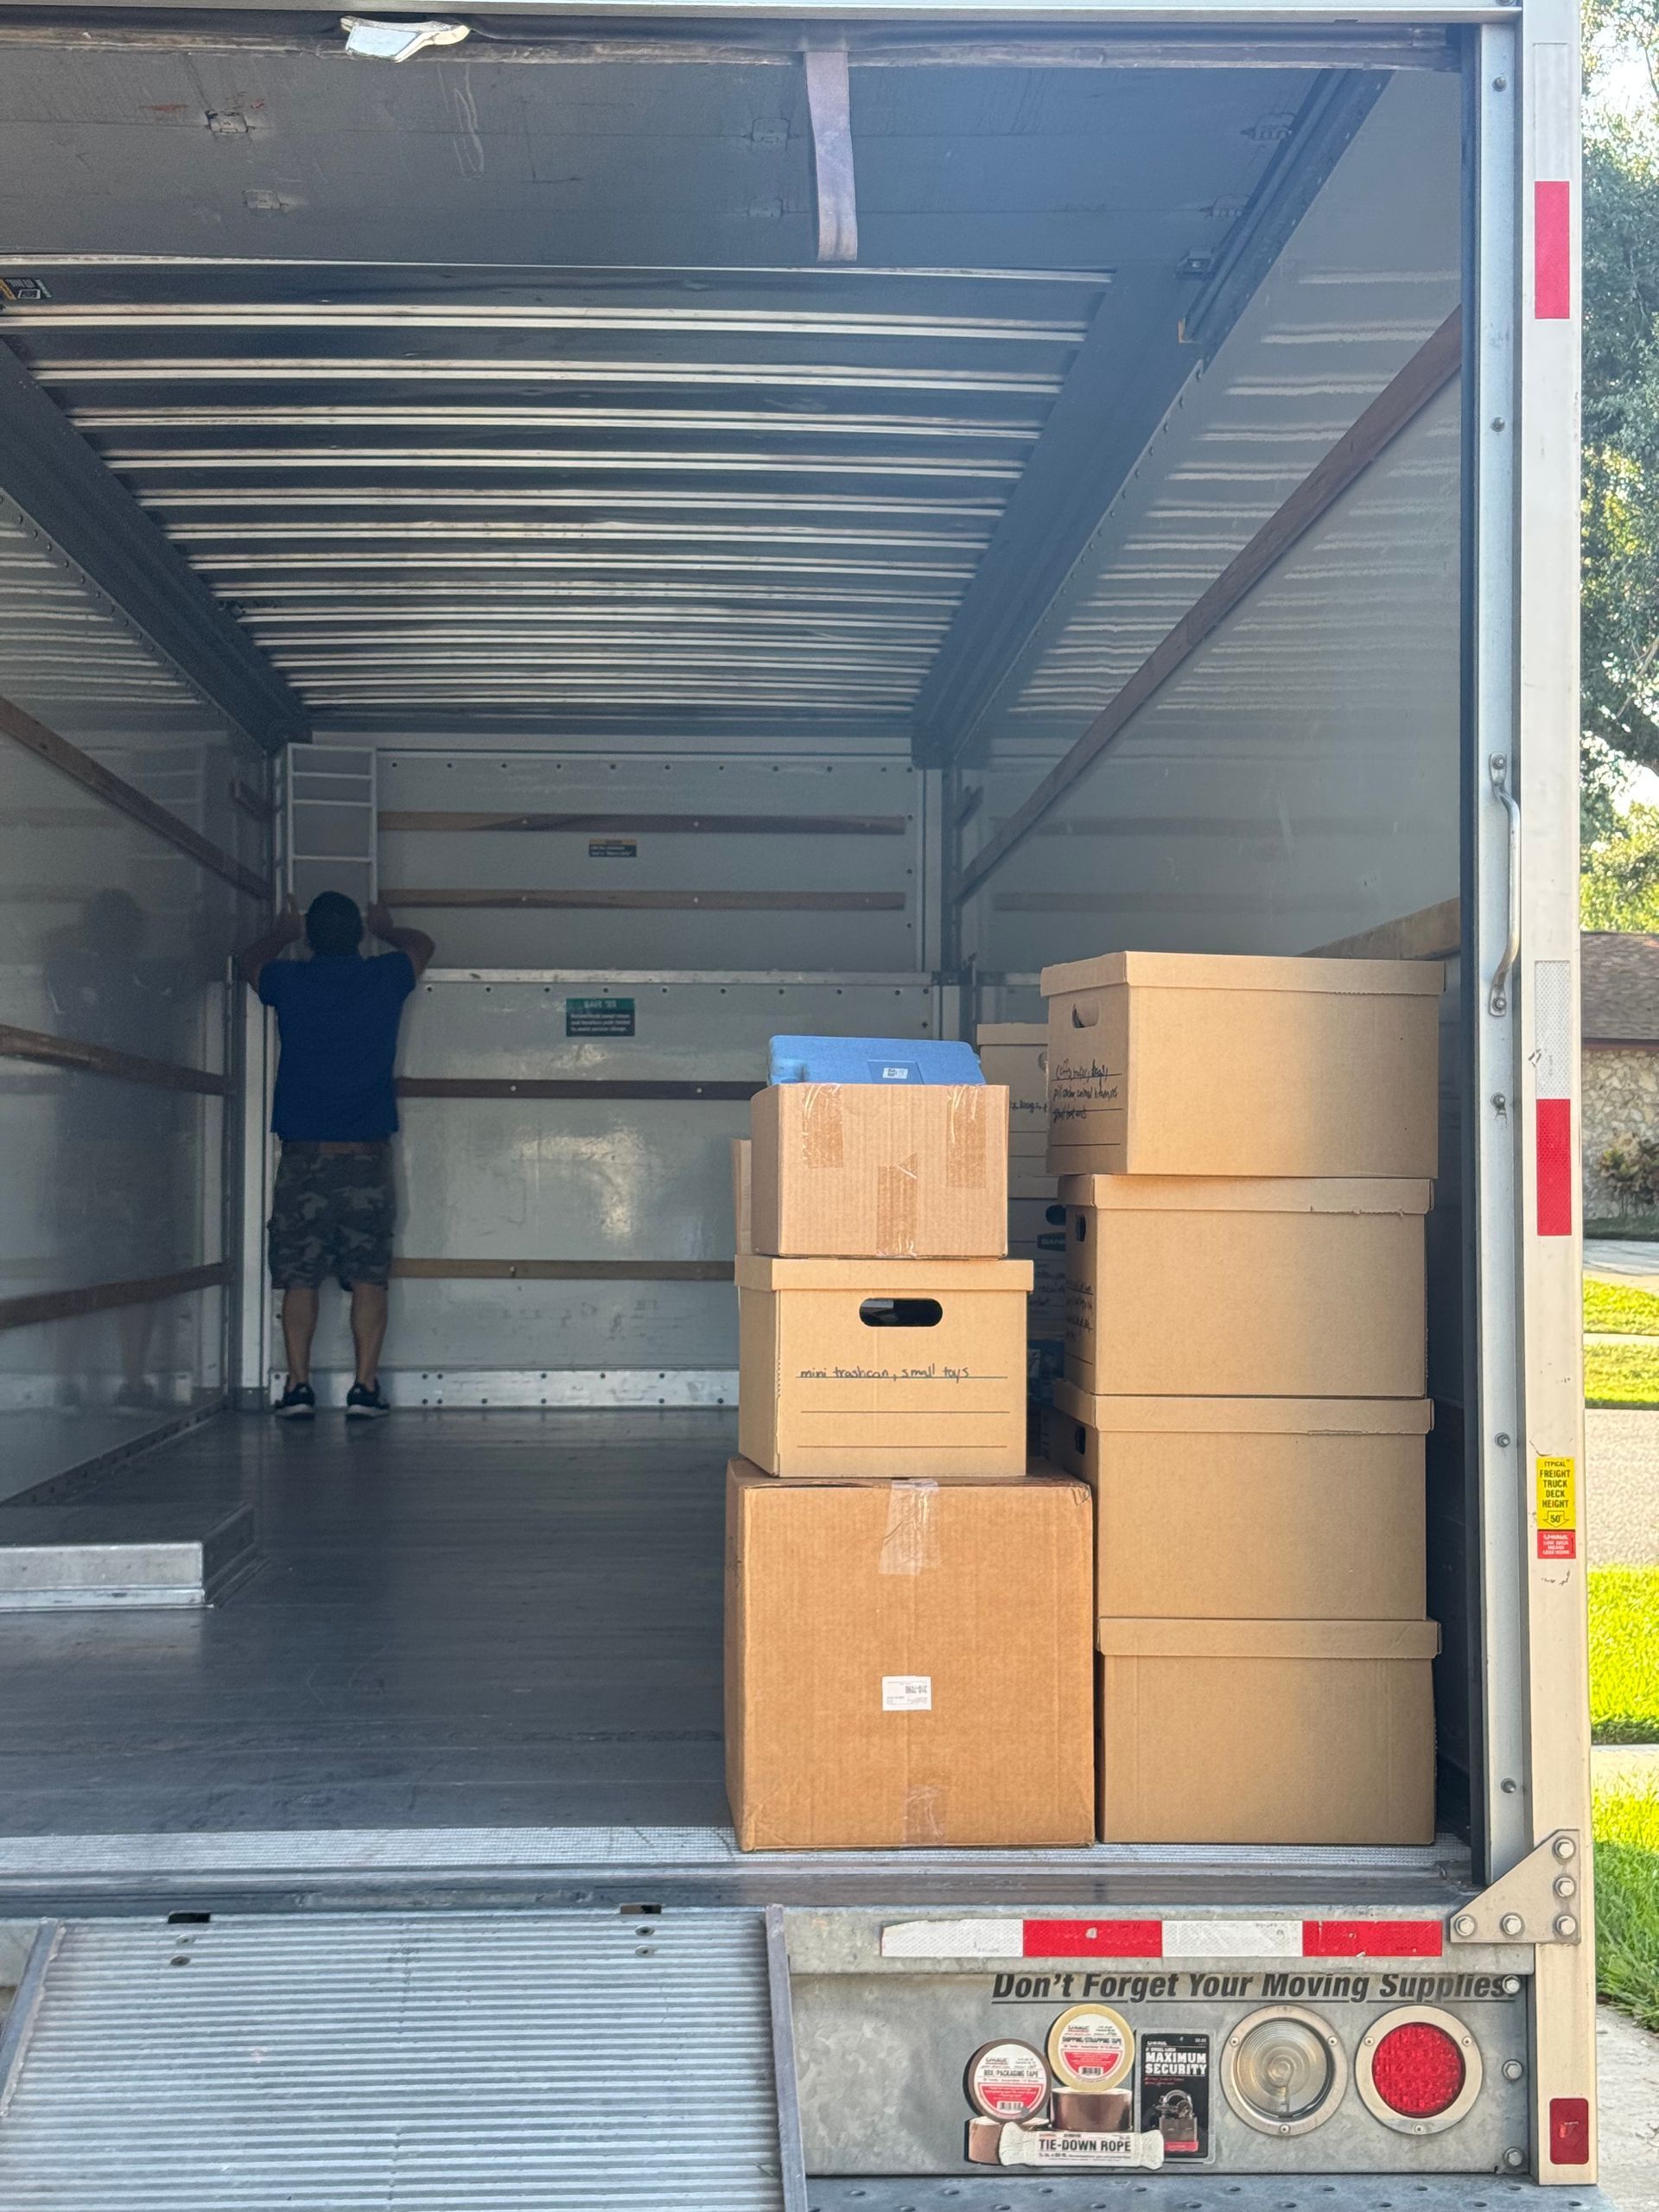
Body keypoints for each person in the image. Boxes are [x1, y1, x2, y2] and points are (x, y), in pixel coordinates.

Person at [237, 892, 435, 1420]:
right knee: (369, 1275)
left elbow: (248, 965)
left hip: (303, 1158)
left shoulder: (290, 981)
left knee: (298, 1277)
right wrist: (387, 928)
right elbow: (422, 944)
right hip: (366, 1158)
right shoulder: (385, 976)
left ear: (310, 937)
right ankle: (364, 1390)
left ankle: (298, 1388)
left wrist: (281, 933)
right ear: (357, 935)